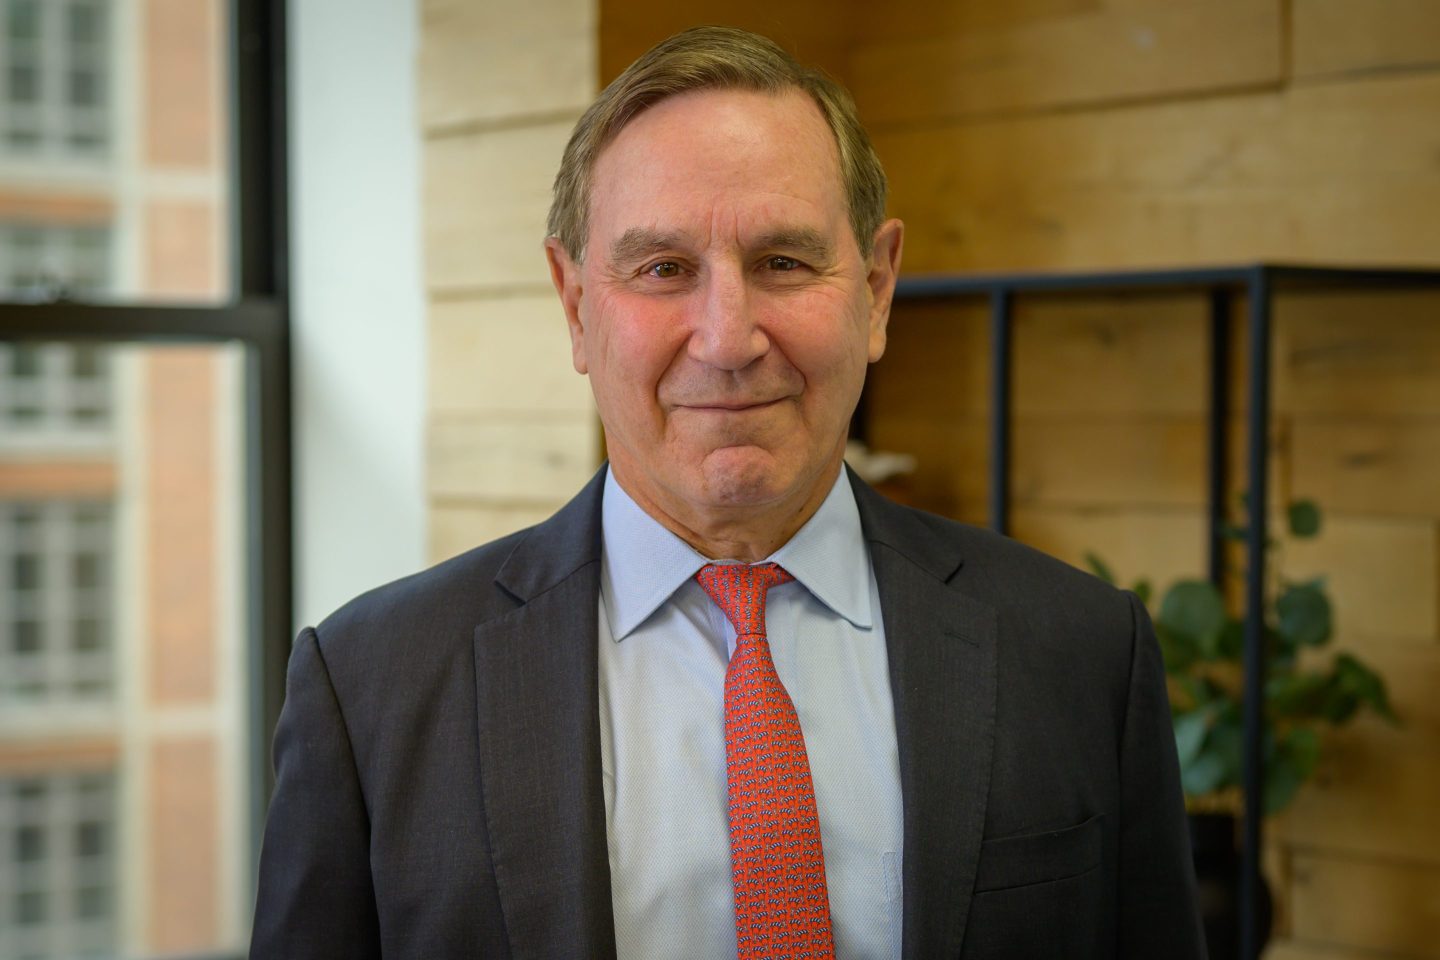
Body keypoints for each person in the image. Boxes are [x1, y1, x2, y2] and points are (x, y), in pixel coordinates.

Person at [250, 26, 1206, 960]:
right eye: (663, 269)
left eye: (783, 263)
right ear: (576, 305)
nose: (727, 338)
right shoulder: (371, 689)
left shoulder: (1082, 654)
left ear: (876, 289)